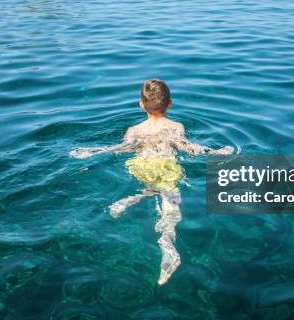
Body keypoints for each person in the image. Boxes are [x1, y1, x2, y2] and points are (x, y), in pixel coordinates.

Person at [70, 79, 233, 285]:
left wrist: (93, 152)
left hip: (142, 167)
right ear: (170, 104)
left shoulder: (134, 130)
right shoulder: (176, 127)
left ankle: (130, 200)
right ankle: (167, 242)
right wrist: (216, 152)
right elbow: (188, 148)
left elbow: (121, 149)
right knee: (171, 208)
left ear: (141, 104)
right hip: (166, 167)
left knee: (149, 187)